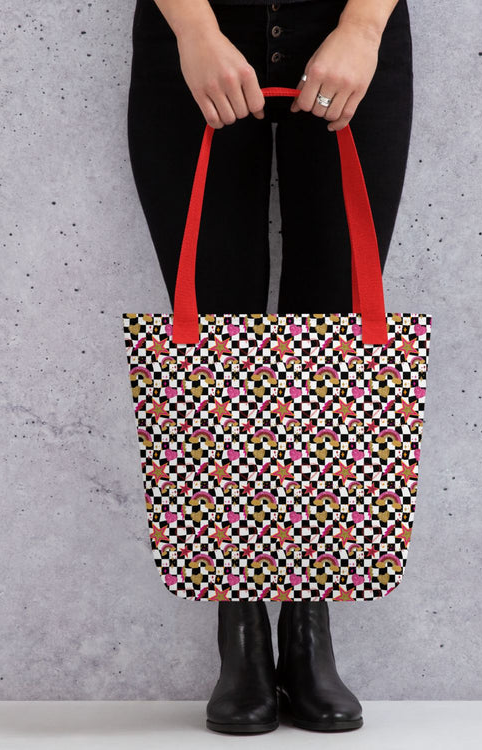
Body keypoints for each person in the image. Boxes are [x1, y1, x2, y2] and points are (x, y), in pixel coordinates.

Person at [126, 0, 413, 735]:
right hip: (195, 30)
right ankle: (242, 631)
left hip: (350, 29)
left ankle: (307, 628)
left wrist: (363, 28)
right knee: (214, 344)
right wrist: (193, 30)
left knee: (333, 350)